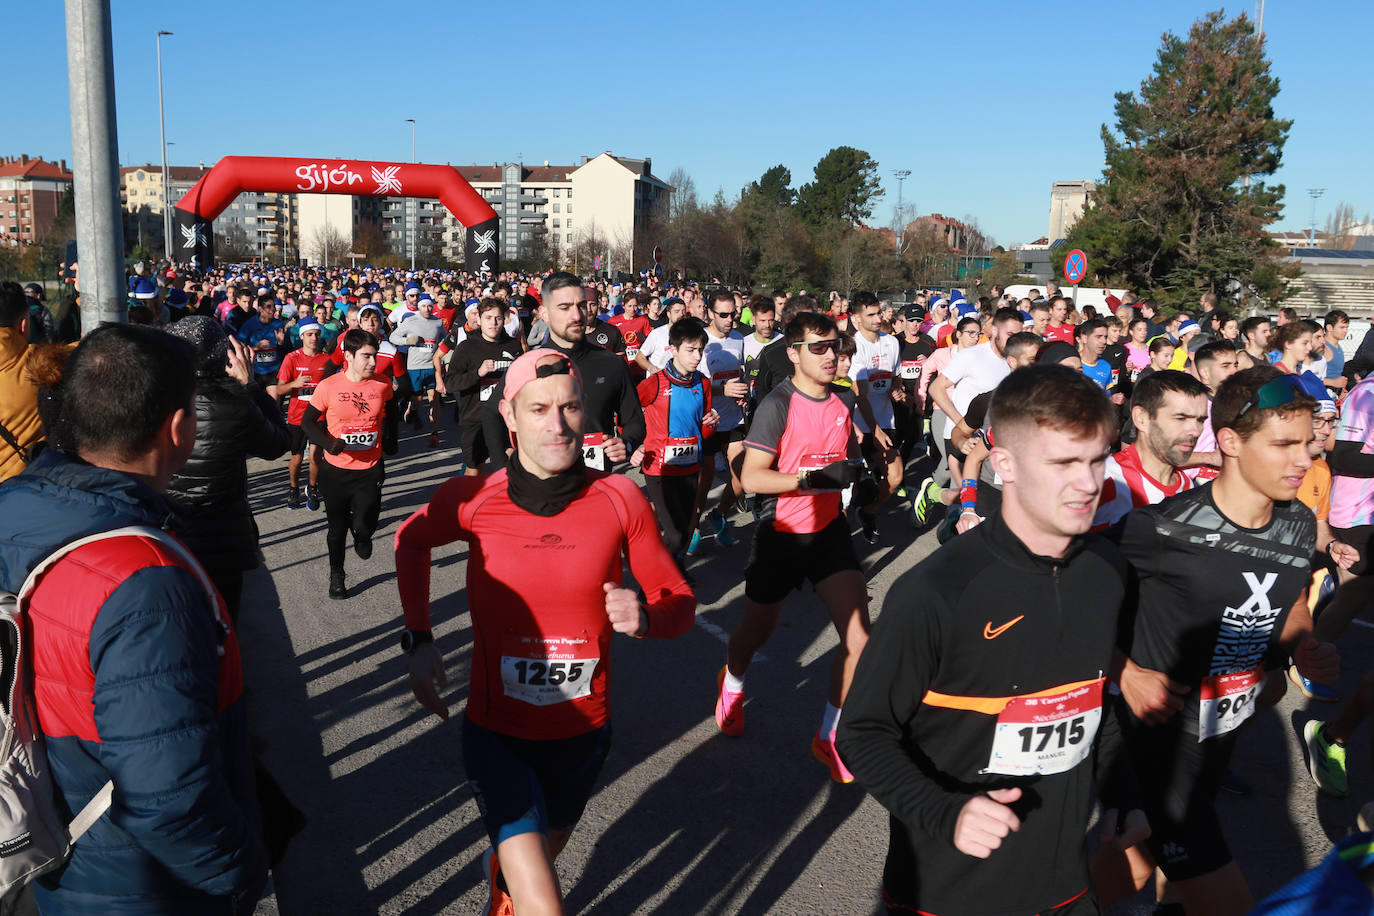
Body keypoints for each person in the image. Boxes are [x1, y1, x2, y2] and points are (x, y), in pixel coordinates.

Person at [837, 364, 1148, 916]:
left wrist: (1126, 794)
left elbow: (1096, 704)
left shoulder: (1108, 573)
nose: (1087, 483)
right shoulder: (935, 592)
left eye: (1098, 459)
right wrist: (943, 811)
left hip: (1066, 885)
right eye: (1063, 463)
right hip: (945, 890)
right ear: (1003, 463)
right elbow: (862, 733)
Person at [395, 348, 695, 916]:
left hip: (583, 734)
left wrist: (647, 617)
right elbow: (410, 541)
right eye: (538, 409)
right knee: (545, 902)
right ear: (509, 416)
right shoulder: (472, 499)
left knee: (545, 852)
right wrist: (420, 637)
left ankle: (504, 881)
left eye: (570, 407)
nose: (557, 425)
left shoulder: (618, 498)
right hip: (497, 734)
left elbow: (678, 600)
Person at [0, 323, 268, 913]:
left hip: (46, 844)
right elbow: (169, 795)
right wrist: (241, 873)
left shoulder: (16, 506)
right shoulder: (145, 577)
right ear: (179, 429)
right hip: (136, 882)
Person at [1111, 366, 1340, 915]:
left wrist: (1302, 643)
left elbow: (1289, 606)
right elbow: (1064, 603)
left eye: (1307, 443)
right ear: (1230, 443)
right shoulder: (1162, 528)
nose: (1303, 460)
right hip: (1157, 744)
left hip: (1224, 731)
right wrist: (1125, 671)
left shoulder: (1299, 525)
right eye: (1283, 444)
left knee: (1133, 863)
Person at [714, 311, 873, 784]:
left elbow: (843, 461)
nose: (831, 355)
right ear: (794, 354)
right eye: (818, 347)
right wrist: (811, 478)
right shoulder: (778, 404)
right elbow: (752, 477)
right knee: (755, 633)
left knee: (860, 640)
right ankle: (733, 681)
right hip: (780, 534)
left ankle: (829, 736)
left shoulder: (843, 403)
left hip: (828, 533)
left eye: (836, 345)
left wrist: (857, 474)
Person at [164, 317, 291, 622]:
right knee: (223, 626)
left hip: (166, 531)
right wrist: (250, 386)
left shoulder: (157, 399)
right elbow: (278, 444)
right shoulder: (237, 405)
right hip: (222, 537)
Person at [482, 273, 644, 475]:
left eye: (581, 306)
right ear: (545, 314)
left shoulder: (612, 364)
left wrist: (625, 444)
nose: (576, 316)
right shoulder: (527, 364)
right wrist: (503, 467)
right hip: (541, 486)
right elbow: (491, 413)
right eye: (564, 308)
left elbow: (635, 422)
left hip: (595, 483)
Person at [302, 329, 393, 599]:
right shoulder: (328, 386)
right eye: (366, 357)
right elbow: (308, 422)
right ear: (349, 356)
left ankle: (363, 536)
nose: (373, 363)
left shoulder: (382, 385)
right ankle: (337, 575)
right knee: (337, 527)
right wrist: (328, 443)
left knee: (366, 524)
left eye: (374, 356)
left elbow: (390, 413)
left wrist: (390, 439)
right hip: (336, 470)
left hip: (370, 468)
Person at [633, 318, 719, 569]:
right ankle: (650, 582)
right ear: (673, 349)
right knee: (675, 535)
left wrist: (712, 423)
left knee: (684, 530)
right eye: (691, 350)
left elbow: (703, 431)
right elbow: (627, 416)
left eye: (700, 350)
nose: (697, 356)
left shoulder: (702, 383)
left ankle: (675, 572)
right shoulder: (655, 383)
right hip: (659, 469)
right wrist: (636, 445)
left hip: (691, 465)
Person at [1092, 371, 1208, 530]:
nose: (1195, 431)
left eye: (1200, 420)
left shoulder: (1188, 488)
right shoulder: (1103, 479)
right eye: (1181, 418)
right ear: (1142, 419)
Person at [690, 291, 748, 554]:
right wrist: (723, 390)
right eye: (723, 315)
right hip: (708, 420)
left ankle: (720, 514)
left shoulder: (739, 339)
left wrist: (747, 394)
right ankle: (694, 525)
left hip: (734, 418)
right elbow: (695, 385)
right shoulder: (701, 342)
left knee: (743, 476)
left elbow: (742, 373)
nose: (729, 319)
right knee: (705, 481)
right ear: (710, 314)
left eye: (733, 313)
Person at [847, 291, 905, 545]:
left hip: (885, 421)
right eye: (870, 314)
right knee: (852, 488)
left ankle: (867, 513)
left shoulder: (891, 342)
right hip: (858, 426)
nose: (877, 318)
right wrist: (874, 429)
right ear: (856, 319)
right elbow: (859, 395)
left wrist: (898, 389)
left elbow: (896, 376)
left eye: (878, 312)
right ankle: (839, 538)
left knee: (896, 477)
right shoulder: (853, 346)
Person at [439, 298, 520, 476]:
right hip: (475, 418)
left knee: (509, 467)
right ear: (480, 319)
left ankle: (506, 502)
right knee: (475, 470)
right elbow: (451, 383)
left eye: (498, 318)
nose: (493, 322)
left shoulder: (513, 346)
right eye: (488, 317)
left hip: (504, 419)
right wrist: (478, 373)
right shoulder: (466, 347)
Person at [277, 316, 333, 509]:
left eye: (317, 334)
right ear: (302, 336)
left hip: (319, 417)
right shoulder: (291, 358)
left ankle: (312, 487)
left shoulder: (326, 360)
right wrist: (295, 384)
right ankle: (293, 488)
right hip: (297, 416)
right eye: (310, 335)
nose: (314, 338)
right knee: (297, 458)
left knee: (316, 456)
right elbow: (279, 389)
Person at [390, 293, 446, 448]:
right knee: (418, 400)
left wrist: (443, 350)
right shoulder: (410, 321)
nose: (427, 309)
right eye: (423, 306)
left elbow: (445, 340)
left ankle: (434, 433)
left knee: (434, 400)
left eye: (429, 306)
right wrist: (407, 341)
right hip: (415, 367)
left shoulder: (438, 322)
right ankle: (412, 410)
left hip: (432, 367)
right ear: (419, 307)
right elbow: (393, 337)